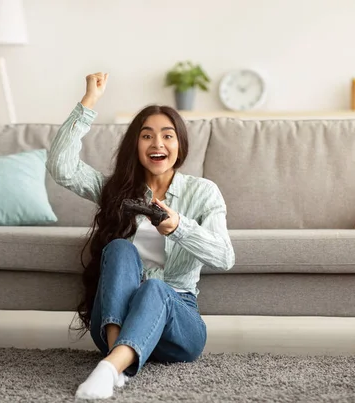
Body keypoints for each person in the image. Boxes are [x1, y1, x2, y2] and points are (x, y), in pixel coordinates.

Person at [47, 72, 235, 400]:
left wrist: (179, 227)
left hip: (179, 323)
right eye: (147, 136)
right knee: (119, 248)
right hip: (113, 321)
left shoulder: (203, 193)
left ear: (180, 144)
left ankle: (109, 368)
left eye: (167, 136)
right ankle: (118, 357)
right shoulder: (117, 191)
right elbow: (62, 167)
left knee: (156, 288)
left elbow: (224, 256)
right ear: (136, 145)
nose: (157, 144)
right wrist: (89, 100)